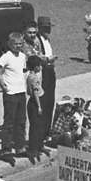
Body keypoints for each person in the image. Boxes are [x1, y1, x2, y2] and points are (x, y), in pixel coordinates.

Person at [0, 31, 28, 158]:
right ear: (10, 44)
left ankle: (20, 146)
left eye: (20, 44)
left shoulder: (23, 56)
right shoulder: (6, 56)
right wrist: (2, 85)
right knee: (9, 122)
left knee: (21, 121)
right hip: (10, 93)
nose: (18, 46)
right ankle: (6, 148)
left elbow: (23, 71)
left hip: (21, 92)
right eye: (15, 44)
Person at [36, 16, 57, 145]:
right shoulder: (37, 40)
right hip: (43, 72)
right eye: (45, 27)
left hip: (50, 71)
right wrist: (48, 60)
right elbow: (36, 56)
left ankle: (47, 130)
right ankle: (42, 132)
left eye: (48, 27)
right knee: (44, 102)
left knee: (50, 102)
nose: (48, 30)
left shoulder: (47, 39)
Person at [25, 54, 45, 163]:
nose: (41, 67)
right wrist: (39, 106)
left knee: (34, 126)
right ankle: (34, 148)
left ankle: (35, 146)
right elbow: (36, 93)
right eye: (39, 65)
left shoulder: (29, 76)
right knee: (36, 126)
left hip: (31, 102)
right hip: (35, 102)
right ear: (36, 66)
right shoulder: (34, 78)